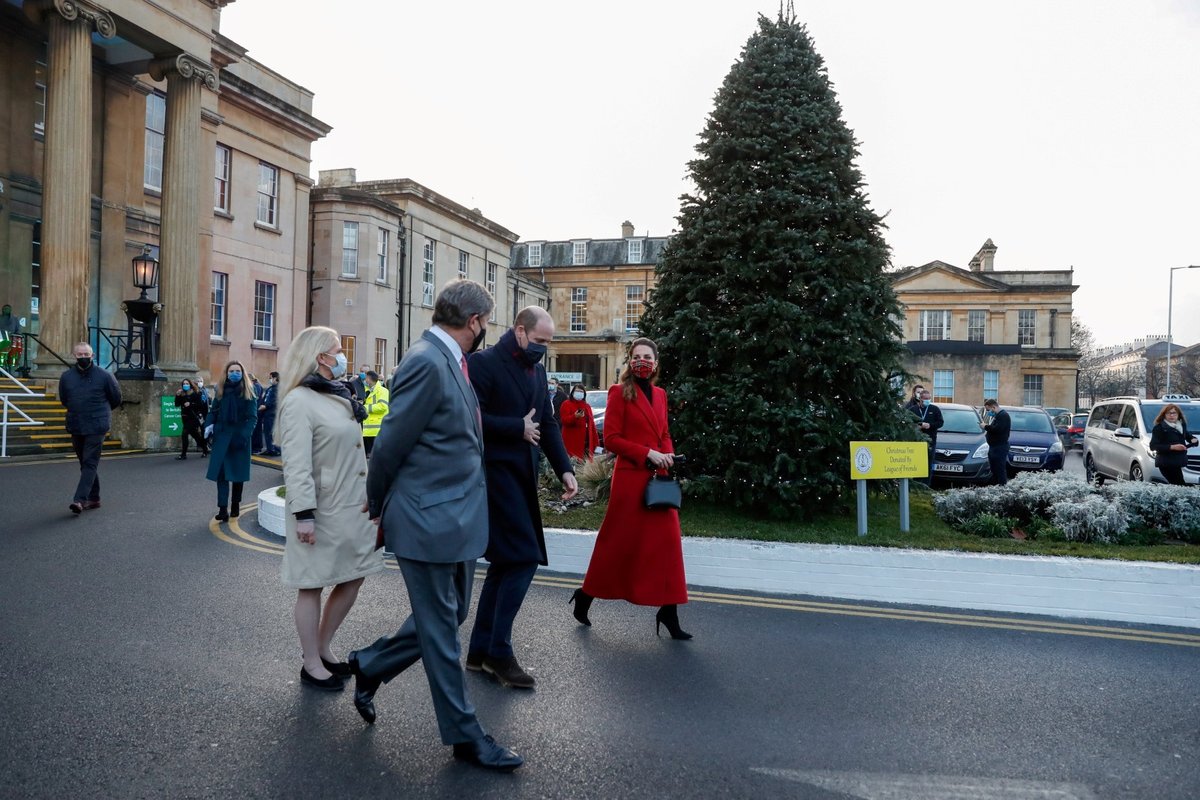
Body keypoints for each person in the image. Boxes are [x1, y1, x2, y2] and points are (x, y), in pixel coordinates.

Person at [348, 279, 523, 772]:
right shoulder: (425, 361)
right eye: (486, 322)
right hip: (425, 519)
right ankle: (466, 737)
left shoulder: (452, 360)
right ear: (473, 322)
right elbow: (389, 445)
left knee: (451, 615)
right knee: (443, 633)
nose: (487, 329)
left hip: (457, 518)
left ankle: (371, 664)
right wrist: (377, 502)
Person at [464, 306, 578, 689]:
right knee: (524, 558)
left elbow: (546, 423)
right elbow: (469, 417)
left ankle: (480, 652)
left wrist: (565, 468)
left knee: (505, 564)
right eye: (540, 341)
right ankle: (499, 652)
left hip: (522, 477)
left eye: (548, 343)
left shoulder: (539, 371)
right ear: (520, 331)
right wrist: (516, 427)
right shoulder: (484, 364)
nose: (543, 349)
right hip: (494, 478)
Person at [276, 326, 383, 691]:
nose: (343, 357)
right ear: (321, 357)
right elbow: (296, 463)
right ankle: (310, 662)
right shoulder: (299, 401)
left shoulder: (338, 393)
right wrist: (303, 514)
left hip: (352, 505)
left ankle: (324, 648)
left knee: (354, 574)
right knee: (311, 585)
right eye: (337, 350)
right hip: (320, 509)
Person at [569, 337, 692, 640]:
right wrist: (647, 453)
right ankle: (586, 594)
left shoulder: (661, 395)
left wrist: (667, 453)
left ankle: (669, 611)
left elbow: (663, 432)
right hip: (630, 479)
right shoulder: (618, 392)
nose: (642, 361)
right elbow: (611, 439)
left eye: (647, 356)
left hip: (657, 480)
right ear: (630, 361)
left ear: (656, 362)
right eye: (636, 356)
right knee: (617, 544)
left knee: (668, 546)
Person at [58, 342, 121, 514]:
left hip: (97, 425)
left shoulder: (105, 375)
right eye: (80, 354)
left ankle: (80, 500)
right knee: (84, 463)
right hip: (76, 423)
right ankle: (95, 498)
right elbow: (65, 399)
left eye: (86, 354)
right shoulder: (66, 377)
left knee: (89, 462)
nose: (83, 357)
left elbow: (116, 398)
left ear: (92, 356)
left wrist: (101, 412)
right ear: (74, 355)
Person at [204, 361, 257, 522]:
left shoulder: (248, 391)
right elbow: (213, 411)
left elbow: (252, 418)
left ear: (243, 373)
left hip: (239, 437)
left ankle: (235, 504)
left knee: (238, 475)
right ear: (226, 373)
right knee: (221, 475)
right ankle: (222, 509)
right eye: (232, 371)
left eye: (238, 371)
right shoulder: (220, 391)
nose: (235, 373)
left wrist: (244, 436)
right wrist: (208, 425)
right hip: (221, 437)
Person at [1149, 404, 1198, 486]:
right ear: (1164, 415)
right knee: (1179, 486)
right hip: (1166, 463)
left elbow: (1188, 436)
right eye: (1169, 413)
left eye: (1174, 413)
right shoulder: (1159, 428)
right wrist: (1173, 447)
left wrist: (1193, 439)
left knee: (1178, 486)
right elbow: (1153, 446)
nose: (1172, 415)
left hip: (1178, 462)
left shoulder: (1181, 426)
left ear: (1178, 415)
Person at [559, 382, 597, 460]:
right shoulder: (566, 404)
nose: (579, 393)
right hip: (571, 440)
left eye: (581, 391)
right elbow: (564, 421)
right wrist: (575, 417)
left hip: (585, 442)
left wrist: (595, 442)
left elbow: (591, 424)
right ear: (572, 392)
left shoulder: (586, 406)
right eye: (577, 391)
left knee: (582, 465)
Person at [174, 378, 209, 459]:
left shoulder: (196, 393)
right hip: (185, 417)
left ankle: (183, 454)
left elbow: (200, 405)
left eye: (187, 384)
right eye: (184, 384)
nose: (185, 385)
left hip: (193, 417)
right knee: (196, 435)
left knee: (184, 434)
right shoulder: (182, 393)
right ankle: (205, 449)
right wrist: (177, 396)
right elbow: (176, 404)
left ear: (190, 384)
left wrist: (190, 404)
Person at [981, 398, 1011, 485]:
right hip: (994, 447)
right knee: (994, 469)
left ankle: (1001, 487)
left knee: (999, 469)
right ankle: (995, 485)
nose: (988, 412)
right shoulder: (998, 416)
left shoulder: (1003, 415)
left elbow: (997, 429)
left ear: (993, 407)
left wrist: (985, 426)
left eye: (988, 410)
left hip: (1000, 447)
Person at [361, 369, 389, 457]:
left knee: (374, 457)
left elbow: (382, 407)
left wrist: (364, 408)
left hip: (376, 430)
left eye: (366, 378)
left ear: (369, 379)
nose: (365, 380)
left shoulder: (383, 391)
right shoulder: (365, 390)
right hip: (366, 429)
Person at [258, 372, 280, 456]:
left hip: (271, 413)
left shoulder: (277, 388)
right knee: (268, 431)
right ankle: (270, 448)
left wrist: (265, 406)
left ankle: (273, 449)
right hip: (267, 413)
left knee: (270, 432)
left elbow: (274, 401)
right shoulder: (271, 388)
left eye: (271, 378)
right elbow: (265, 398)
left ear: (275, 378)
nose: (270, 380)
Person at [250, 374, 267, 454]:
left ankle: (256, 448)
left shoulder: (256, 386)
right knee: (256, 430)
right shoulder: (257, 385)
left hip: (257, 410)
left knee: (256, 430)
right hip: (257, 410)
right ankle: (256, 447)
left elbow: (255, 398)